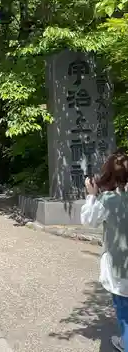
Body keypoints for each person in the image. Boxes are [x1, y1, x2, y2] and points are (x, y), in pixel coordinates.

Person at [81, 150, 128, 352]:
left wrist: (92, 197)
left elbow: (88, 220)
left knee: (124, 313)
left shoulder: (107, 200)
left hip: (121, 271)